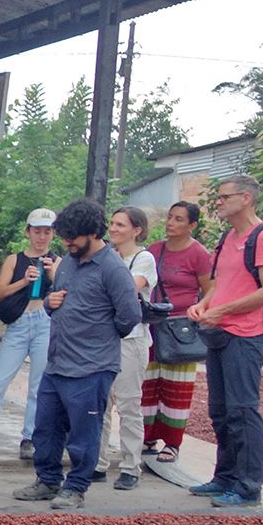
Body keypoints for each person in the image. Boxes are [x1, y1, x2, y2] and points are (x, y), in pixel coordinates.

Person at [13, 199, 141, 510]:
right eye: (64, 237)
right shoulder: (68, 262)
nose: (67, 243)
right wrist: (49, 303)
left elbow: (129, 316)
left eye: (74, 238)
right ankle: (47, 480)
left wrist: (97, 336)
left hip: (93, 367)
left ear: (94, 233)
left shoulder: (113, 268)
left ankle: (76, 487)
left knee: (84, 433)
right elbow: (55, 303)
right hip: (57, 362)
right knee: (46, 427)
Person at [185, 174, 263, 508]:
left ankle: (249, 485)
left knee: (243, 410)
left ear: (246, 199)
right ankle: (225, 476)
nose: (219, 203)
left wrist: (223, 309)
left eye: (225, 197)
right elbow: (220, 282)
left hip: (245, 334)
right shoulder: (228, 238)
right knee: (220, 411)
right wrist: (205, 303)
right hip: (219, 331)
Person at [0, 208, 59, 463]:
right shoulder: (15, 260)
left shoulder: (58, 261)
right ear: (28, 232)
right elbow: (0, 293)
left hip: (45, 322)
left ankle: (30, 437)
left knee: (39, 386)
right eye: (37, 231)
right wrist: (24, 281)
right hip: (19, 322)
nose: (41, 237)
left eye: (47, 232)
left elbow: (66, 291)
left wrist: (51, 274)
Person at [140, 201, 213, 463]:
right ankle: (146, 436)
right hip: (152, 323)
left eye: (179, 219)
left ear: (192, 225)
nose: (171, 223)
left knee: (177, 386)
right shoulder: (154, 250)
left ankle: (172, 443)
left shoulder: (199, 254)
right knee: (147, 383)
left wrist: (200, 310)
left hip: (181, 327)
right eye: (170, 217)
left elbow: (210, 289)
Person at [104, 206, 158, 490]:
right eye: (112, 223)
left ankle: (130, 465)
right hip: (105, 338)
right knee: (100, 404)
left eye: (120, 225)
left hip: (132, 339)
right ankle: (98, 463)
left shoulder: (144, 258)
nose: (113, 229)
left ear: (136, 230)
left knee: (128, 403)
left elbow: (126, 289)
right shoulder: (108, 257)